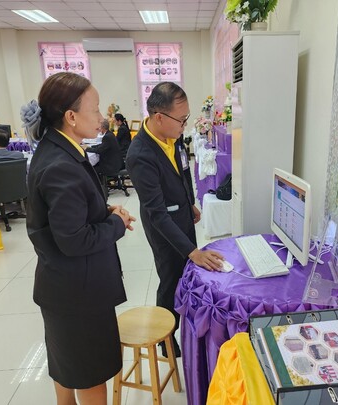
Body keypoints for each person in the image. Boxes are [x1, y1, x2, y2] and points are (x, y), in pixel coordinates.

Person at [23, 72, 136, 405]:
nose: (101, 117)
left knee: (67, 369)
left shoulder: (57, 149)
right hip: (79, 295)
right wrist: (116, 223)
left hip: (64, 289)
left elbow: (65, 214)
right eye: (96, 108)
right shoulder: (62, 164)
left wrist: (102, 210)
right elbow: (73, 239)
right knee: (89, 376)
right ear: (71, 117)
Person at [126, 82, 224, 358]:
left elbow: (182, 170)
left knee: (187, 273)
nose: (185, 125)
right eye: (181, 119)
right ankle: (166, 339)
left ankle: (190, 329)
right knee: (170, 279)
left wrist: (189, 201)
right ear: (159, 117)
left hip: (181, 212)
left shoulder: (174, 135)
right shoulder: (140, 155)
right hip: (162, 225)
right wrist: (192, 251)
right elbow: (157, 213)